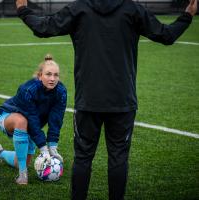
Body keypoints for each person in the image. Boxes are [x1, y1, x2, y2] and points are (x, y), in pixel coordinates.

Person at [14, 0, 197, 199]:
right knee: (118, 159)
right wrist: (187, 15)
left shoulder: (80, 7)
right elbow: (167, 35)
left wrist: (23, 10)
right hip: (122, 101)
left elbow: (43, 28)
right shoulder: (131, 8)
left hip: (89, 102)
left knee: (83, 158)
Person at [0, 54, 67, 185]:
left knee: (19, 162)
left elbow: (56, 118)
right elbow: (31, 117)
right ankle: (22, 175)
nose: (52, 79)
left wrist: (52, 146)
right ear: (40, 75)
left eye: (56, 75)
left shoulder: (61, 91)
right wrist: (43, 148)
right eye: (48, 74)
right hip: (8, 116)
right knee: (22, 121)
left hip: (30, 125)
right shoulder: (27, 89)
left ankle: (0, 152)